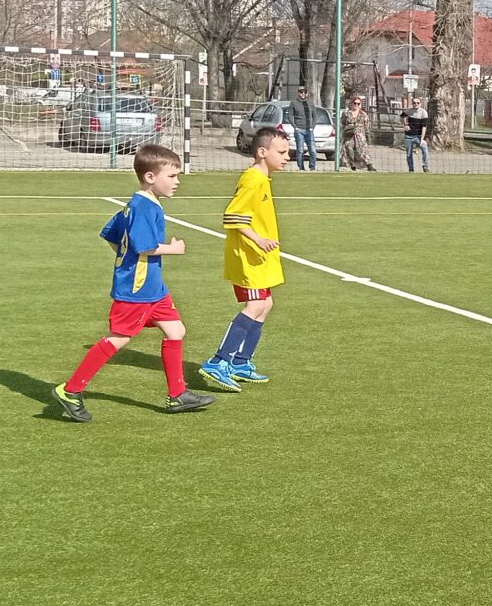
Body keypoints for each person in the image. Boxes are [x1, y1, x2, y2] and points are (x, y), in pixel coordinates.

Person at [52, 145, 216, 420]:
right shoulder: (143, 207)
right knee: (118, 338)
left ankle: (178, 395)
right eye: (172, 176)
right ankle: (70, 390)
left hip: (154, 288)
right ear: (150, 177)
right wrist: (172, 249)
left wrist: (124, 257)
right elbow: (144, 246)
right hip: (137, 290)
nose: (177, 181)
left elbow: (110, 233)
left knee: (176, 330)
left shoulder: (137, 204)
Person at [200, 126, 288, 392]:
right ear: (262, 152)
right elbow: (232, 216)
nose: (287, 157)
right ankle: (218, 361)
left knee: (266, 304)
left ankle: (240, 362)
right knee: (256, 304)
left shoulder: (262, 179)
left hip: (260, 257)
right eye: (281, 152)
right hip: (249, 257)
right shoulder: (253, 179)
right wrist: (258, 240)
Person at [286, 85, 319, 171]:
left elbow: (315, 115)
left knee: (313, 151)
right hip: (299, 130)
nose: (303, 94)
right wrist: (295, 127)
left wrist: (312, 126)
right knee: (300, 151)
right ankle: (301, 167)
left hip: (309, 130)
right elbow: (290, 115)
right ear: (298, 93)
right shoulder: (294, 103)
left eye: (305, 92)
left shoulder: (310, 102)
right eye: (301, 92)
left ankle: (312, 167)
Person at [343, 94, 375, 171]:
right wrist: (345, 131)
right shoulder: (346, 113)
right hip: (349, 134)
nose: (356, 105)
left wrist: (368, 135)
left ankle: (369, 165)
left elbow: (367, 125)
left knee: (362, 149)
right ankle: (352, 165)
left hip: (360, 135)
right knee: (349, 149)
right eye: (355, 103)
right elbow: (342, 123)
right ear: (352, 103)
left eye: (358, 103)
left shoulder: (363, 114)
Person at [402, 97, 431, 173]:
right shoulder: (409, 111)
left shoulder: (423, 112)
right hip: (409, 136)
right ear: (412, 103)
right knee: (409, 154)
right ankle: (411, 170)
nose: (416, 104)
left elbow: (424, 127)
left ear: (420, 104)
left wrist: (422, 139)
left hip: (419, 136)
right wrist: (405, 124)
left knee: (425, 149)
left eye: (418, 103)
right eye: (414, 103)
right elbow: (402, 115)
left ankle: (425, 167)